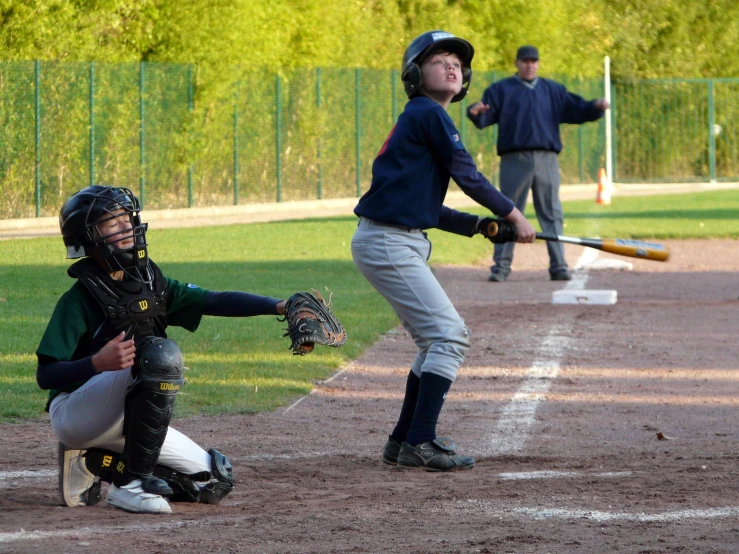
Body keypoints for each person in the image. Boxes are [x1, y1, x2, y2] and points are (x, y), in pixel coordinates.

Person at [37, 185, 290, 514]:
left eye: (126, 218)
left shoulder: (150, 282)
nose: (126, 227)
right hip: (76, 414)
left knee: (214, 482)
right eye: (112, 223)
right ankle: (132, 484)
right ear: (87, 237)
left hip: (127, 422)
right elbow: (46, 375)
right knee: (157, 355)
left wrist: (280, 306)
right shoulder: (78, 299)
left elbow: (213, 299)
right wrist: (96, 363)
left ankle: (96, 462)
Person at [351, 30, 536, 472]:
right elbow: (467, 175)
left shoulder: (421, 119)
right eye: (438, 60)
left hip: (393, 238)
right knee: (449, 336)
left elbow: (425, 205)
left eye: (457, 62)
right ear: (415, 74)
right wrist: (513, 214)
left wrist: (478, 226)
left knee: (432, 340)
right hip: (389, 242)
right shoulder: (428, 114)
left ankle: (403, 441)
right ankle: (421, 441)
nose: (451, 66)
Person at [466, 45, 609, 282]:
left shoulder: (553, 90)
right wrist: (475, 113)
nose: (529, 65)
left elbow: (577, 109)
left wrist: (595, 107)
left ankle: (559, 266)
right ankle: (500, 267)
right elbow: (484, 116)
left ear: (539, 63)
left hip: (547, 159)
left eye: (533, 61)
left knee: (552, 212)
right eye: (525, 61)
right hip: (514, 159)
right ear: (516, 63)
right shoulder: (501, 90)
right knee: (508, 212)